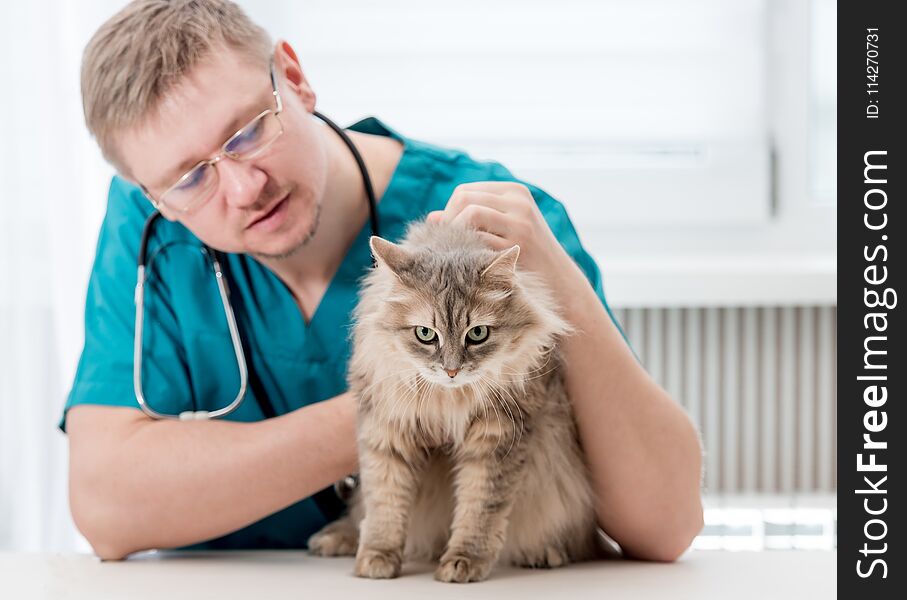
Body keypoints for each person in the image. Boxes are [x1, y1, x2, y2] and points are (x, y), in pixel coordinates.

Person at [63, 0, 704, 562]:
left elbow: (666, 524)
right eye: (188, 179)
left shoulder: (494, 225)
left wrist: (555, 278)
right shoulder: (150, 234)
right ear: (150, 193)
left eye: (249, 130)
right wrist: (393, 408)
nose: (243, 188)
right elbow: (107, 507)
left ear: (294, 78)